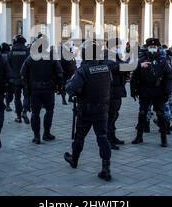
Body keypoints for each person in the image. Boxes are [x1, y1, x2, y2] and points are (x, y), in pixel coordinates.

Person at [64, 40, 113, 181]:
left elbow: (72, 89)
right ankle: (106, 168)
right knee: (103, 138)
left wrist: (69, 83)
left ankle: (74, 159)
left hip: (86, 110)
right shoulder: (105, 68)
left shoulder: (83, 70)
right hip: (102, 110)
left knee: (79, 137)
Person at [130, 38, 172, 147]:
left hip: (159, 92)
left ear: (158, 48)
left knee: (160, 114)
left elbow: (168, 77)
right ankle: (139, 136)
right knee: (142, 114)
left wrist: (167, 91)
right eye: (150, 47)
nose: (152, 48)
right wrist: (133, 89)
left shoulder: (163, 60)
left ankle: (164, 138)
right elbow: (134, 76)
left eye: (154, 47)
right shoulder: (141, 60)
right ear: (147, 48)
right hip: (144, 91)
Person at [20, 37, 63, 144]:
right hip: (49, 89)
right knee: (49, 111)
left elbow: (22, 74)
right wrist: (60, 86)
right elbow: (59, 73)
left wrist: (27, 87)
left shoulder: (30, 58)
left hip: (35, 90)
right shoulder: (51, 57)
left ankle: (36, 136)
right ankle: (46, 133)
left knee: (35, 113)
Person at [105, 38, 128, 150]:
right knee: (109, 117)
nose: (119, 48)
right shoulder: (106, 58)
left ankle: (112, 136)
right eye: (117, 46)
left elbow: (124, 64)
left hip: (117, 91)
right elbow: (118, 66)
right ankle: (108, 140)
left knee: (114, 115)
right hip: (110, 92)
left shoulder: (116, 57)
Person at [7, 35, 31, 124]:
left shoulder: (11, 52)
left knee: (17, 98)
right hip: (26, 79)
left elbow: (8, 66)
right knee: (26, 96)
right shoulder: (27, 51)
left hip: (15, 79)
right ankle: (24, 111)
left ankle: (18, 116)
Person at [0, 42, 13, 112]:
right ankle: (7, 105)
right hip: (9, 76)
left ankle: (4, 104)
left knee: (1, 91)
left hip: (0, 76)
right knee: (9, 92)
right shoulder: (10, 55)